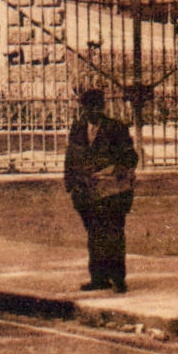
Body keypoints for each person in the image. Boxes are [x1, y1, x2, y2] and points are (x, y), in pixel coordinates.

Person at [63, 88, 139, 294]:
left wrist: (111, 170)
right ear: (83, 108)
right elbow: (71, 157)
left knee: (113, 233)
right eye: (89, 108)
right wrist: (70, 184)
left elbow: (130, 158)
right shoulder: (78, 128)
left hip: (112, 192)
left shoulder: (116, 128)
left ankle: (118, 279)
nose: (93, 112)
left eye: (97, 107)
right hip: (86, 192)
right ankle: (98, 278)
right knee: (95, 234)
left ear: (103, 107)